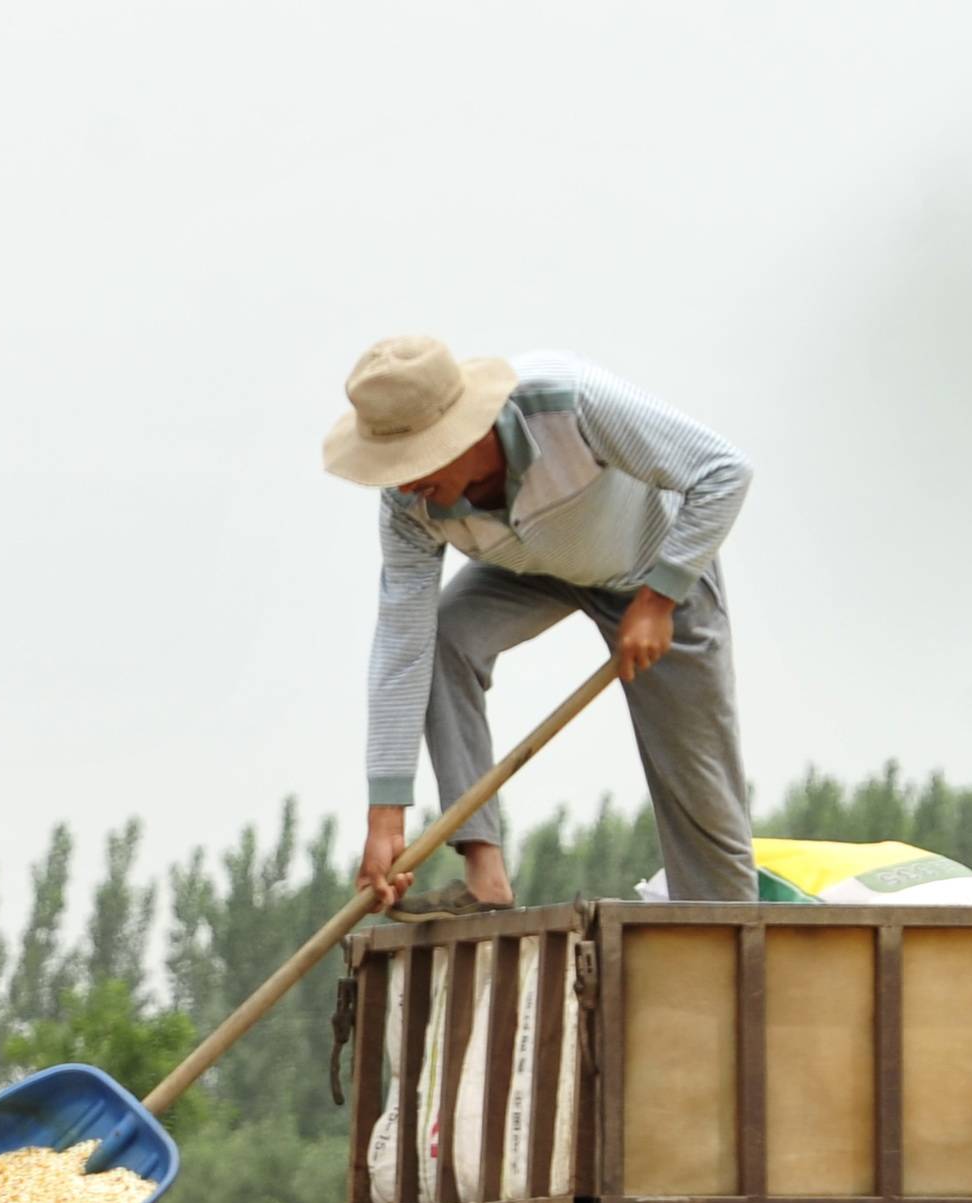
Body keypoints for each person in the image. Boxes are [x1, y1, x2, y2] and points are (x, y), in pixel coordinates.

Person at [326, 334, 760, 909]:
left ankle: (728, 951)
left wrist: (658, 600)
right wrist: (386, 817)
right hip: (527, 569)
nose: (404, 483)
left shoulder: (568, 403)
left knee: (701, 794)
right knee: (442, 640)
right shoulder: (409, 505)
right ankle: (486, 879)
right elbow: (402, 644)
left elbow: (724, 473)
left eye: (415, 461)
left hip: (652, 568)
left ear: (464, 430)